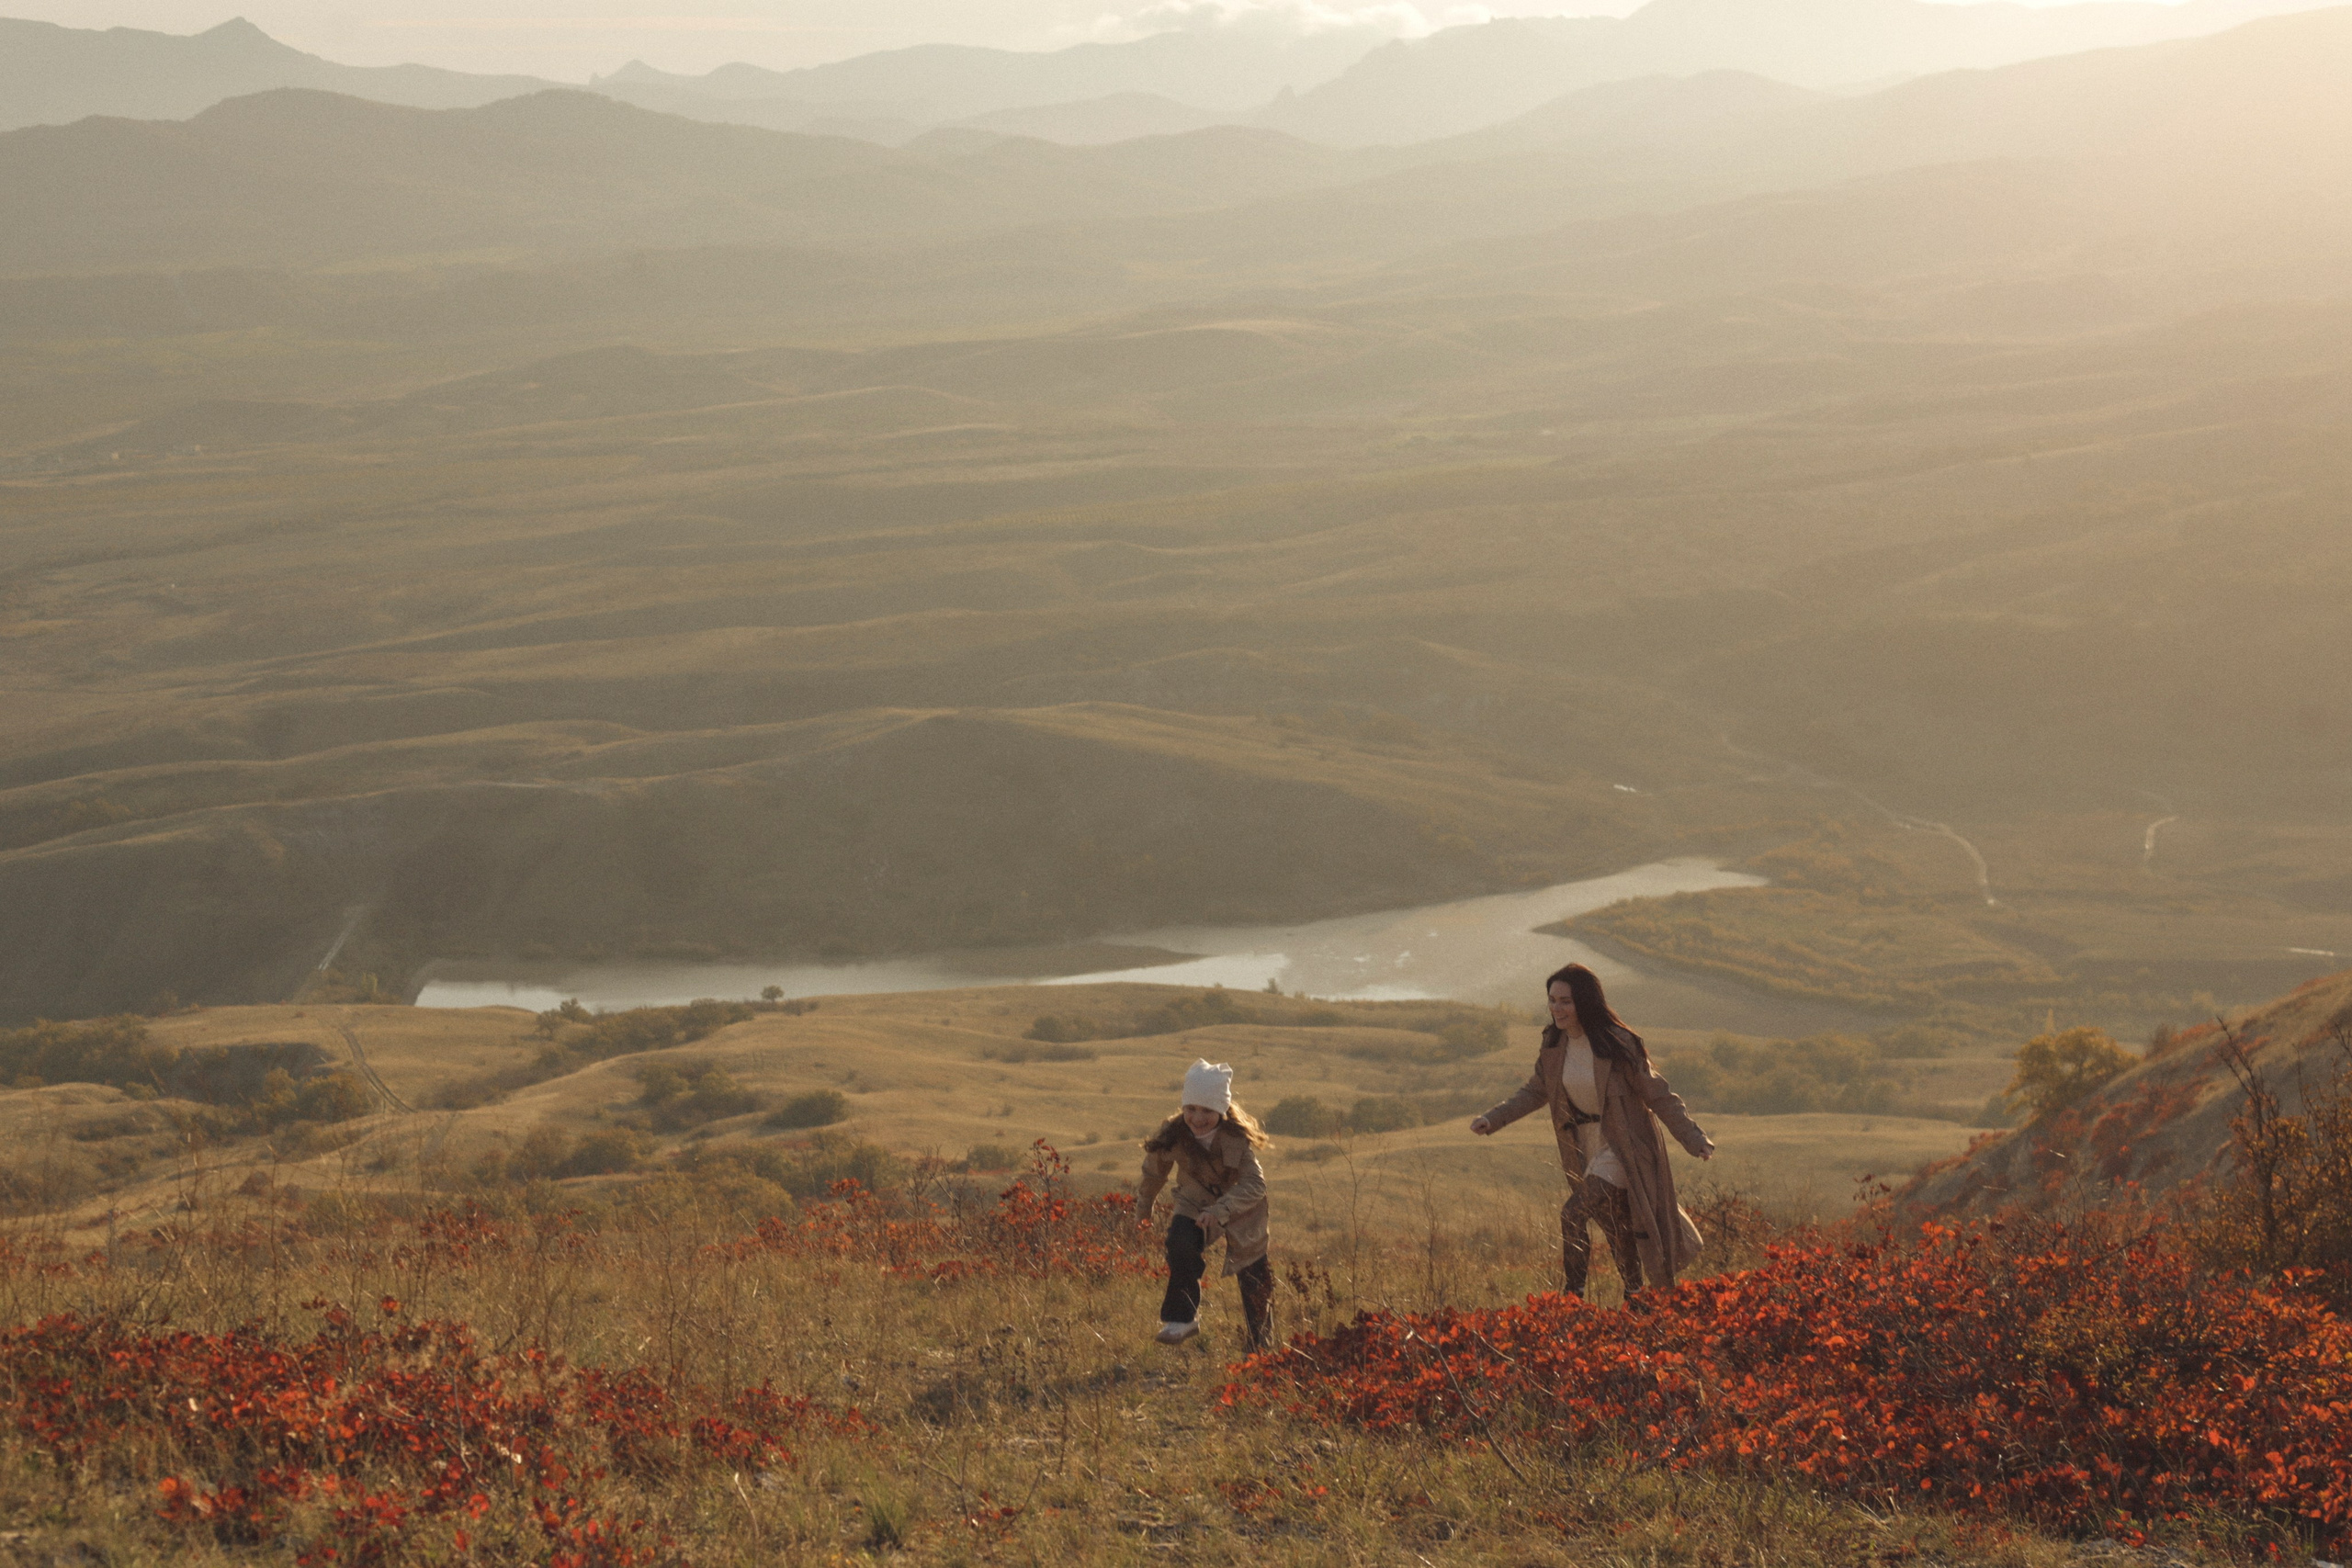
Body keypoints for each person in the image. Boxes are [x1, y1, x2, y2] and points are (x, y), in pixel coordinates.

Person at [1470, 963, 1714, 1299]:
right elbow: (1536, 1091)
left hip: (1622, 1145)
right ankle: (1637, 1298)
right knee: (1617, 1227)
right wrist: (1493, 1118)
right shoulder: (1554, 1044)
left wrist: (1694, 1138)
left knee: (1572, 1214)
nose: (1557, 1008)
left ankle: (1573, 1296)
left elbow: (1659, 1095)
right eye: (1552, 1000)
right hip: (1583, 1144)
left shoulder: (1618, 1044)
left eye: (1565, 1001)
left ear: (1584, 1002)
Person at [1137, 1058, 1274, 1348]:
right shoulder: (1173, 1133)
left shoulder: (1235, 1138)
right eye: (1191, 1109)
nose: (1198, 1118)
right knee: (1181, 1243)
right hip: (1194, 1203)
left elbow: (1256, 1185)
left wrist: (1221, 1210)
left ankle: (1261, 1346)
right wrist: (1144, 1206)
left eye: (1207, 1111)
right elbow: (1153, 1171)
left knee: (1254, 1275)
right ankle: (1183, 1318)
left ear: (1221, 1110)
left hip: (1241, 1210)